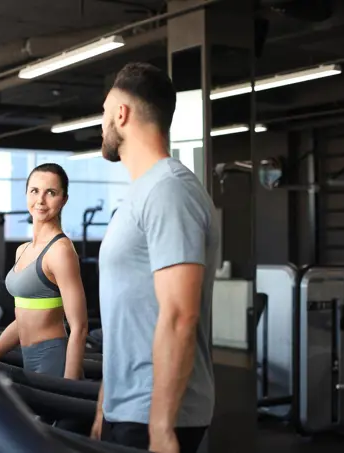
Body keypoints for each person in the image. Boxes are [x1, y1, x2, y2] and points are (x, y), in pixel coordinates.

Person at [90, 62, 220, 453]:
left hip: (154, 415)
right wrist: (104, 405)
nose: (100, 123)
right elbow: (127, 316)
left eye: (102, 112)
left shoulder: (168, 191)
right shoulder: (142, 192)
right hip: (127, 408)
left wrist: (162, 427)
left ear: (121, 114)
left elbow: (181, 314)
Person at [0, 163, 88, 380]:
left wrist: (68, 388)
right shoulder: (23, 250)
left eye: (51, 192)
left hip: (52, 359)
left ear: (64, 199)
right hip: (28, 357)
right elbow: (23, 318)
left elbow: (79, 326)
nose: (40, 200)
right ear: (26, 194)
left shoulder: (60, 251)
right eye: (34, 191)